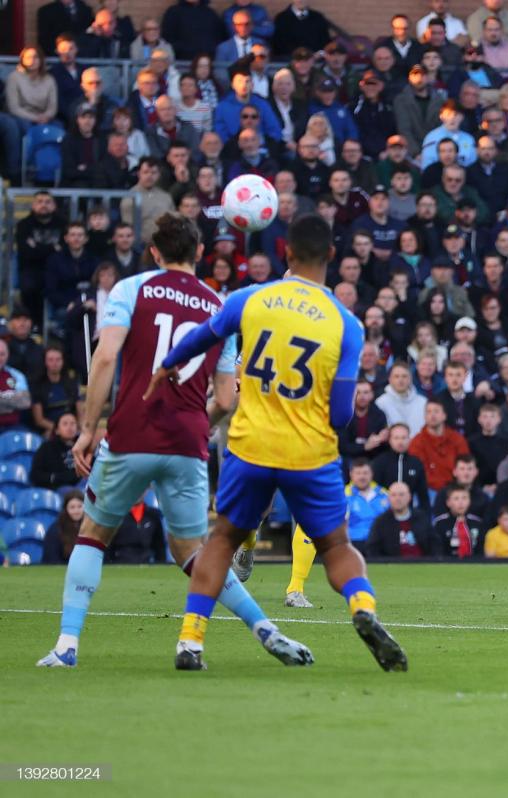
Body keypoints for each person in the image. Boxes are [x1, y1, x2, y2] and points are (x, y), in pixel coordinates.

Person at [36, 215, 306, 669]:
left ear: (154, 252)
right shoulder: (219, 306)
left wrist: (87, 428)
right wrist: (194, 420)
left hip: (130, 434)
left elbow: (105, 358)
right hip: (187, 440)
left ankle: (66, 646)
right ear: (200, 253)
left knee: (93, 535)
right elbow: (225, 398)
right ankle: (265, 627)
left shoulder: (131, 288)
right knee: (195, 551)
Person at [148, 214, 407, 672]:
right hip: (310, 451)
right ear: (331, 255)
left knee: (222, 539)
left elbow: (203, 337)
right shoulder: (346, 324)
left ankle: (191, 641)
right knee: (336, 547)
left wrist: (167, 364)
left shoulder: (250, 298)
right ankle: (362, 608)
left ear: (285, 252)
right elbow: (344, 413)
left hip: (251, 446)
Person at [365, 481, 430, 559]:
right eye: (393, 495)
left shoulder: (421, 518)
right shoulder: (381, 522)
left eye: (401, 495)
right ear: (388, 498)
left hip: (422, 564)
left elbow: (433, 543)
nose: (397, 498)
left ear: (409, 497)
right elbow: (372, 548)